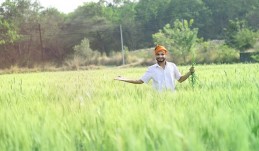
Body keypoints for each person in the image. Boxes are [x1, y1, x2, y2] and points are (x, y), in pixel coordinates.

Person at [114, 45, 195, 91]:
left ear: (165, 55)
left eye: (162, 54)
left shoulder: (172, 66)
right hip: (158, 100)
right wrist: (124, 79)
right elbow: (140, 81)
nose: (160, 56)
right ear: (155, 55)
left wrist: (190, 73)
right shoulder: (151, 69)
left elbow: (180, 79)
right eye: (158, 54)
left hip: (172, 98)